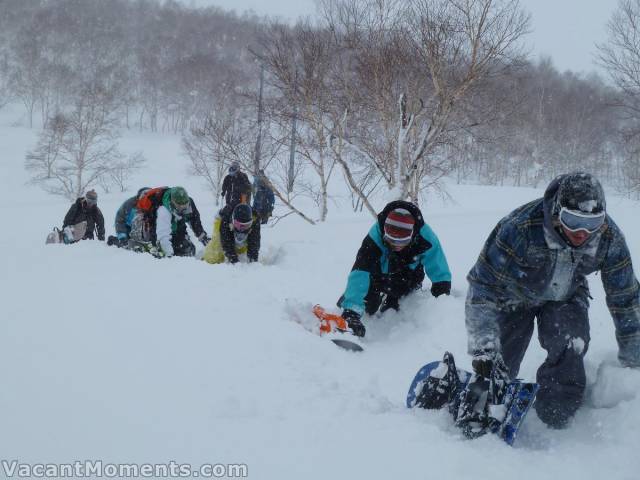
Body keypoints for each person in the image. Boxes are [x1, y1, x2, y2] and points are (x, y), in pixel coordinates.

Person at [465, 172, 640, 429]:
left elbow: (625, 298)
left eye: (592, 223)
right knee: (498, 363)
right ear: (557, 212)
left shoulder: (609, 237)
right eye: (573, 221)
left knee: (570, 347)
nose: (583, 233)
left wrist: (634, 358)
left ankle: (555, 418)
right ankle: (488, 403)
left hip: (566, 296)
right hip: (513, 295)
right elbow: (482, 286)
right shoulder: (519, 228)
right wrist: (484, 346)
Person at [337, 200, 452, 337]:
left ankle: (392, 299)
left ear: (412, 234)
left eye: (402, 242)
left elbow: (438, 266)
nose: (396, 246)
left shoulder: (425, 237)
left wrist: (441, 294)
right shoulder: (375, 237)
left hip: (408, 275)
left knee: (394, 304)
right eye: (391, 241)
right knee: (368, 306)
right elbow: (360, 271)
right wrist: (351, 312)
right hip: (379, 274)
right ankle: (353, 300)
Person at [134, 186, 209, 257]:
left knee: (189, 249)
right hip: (155, 227)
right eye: (180, 206)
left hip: (177, 225)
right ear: (173, 202)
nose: (183, 208)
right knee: (162, 250)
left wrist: (203, 238)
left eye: (185, 205)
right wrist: (169, 255)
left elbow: (195, 222)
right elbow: (163, 236)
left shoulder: (189, 203)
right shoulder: (163, 210)